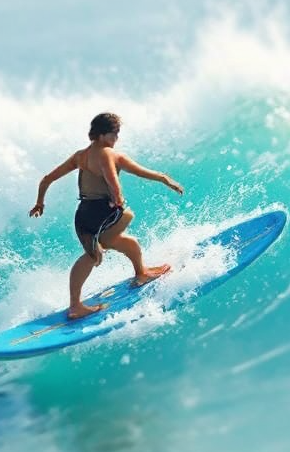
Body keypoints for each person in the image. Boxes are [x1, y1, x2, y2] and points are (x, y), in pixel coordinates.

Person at [29, 112, 185, 320]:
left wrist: (40, 202)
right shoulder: (107, 154)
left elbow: (46, 179)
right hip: (101, 212)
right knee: (110, 235)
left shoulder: (80, 156)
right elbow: (117, 179)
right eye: (114, 134)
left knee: (126, 243)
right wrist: (119, 198)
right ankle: (75, 306)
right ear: (102, 135)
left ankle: (141, 273)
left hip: (83, 214)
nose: (116, 138)